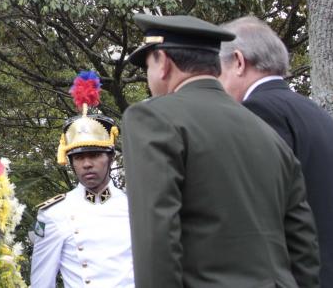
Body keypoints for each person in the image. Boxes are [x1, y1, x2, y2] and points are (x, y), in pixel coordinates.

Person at [123, 14, 320, 287]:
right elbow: (303, 244)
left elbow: (156, 235)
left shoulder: (153, 118)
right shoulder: (266, 133)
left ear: (163, 63)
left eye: (147, 65)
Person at [219, 16, 333, 287]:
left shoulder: (257, 113)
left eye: (218, 72)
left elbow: (263, 215)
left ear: (238, 61)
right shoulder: (317, 114)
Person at [30, 71, 134, 287]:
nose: (87, 163)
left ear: (111, 158)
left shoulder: (135, 206)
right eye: (78, 157)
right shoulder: (54, 213)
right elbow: (42, 281)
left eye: (95, 155)